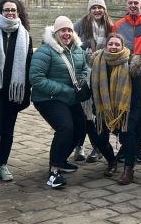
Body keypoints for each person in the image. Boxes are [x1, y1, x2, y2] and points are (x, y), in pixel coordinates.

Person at [30, 16, 101, 189]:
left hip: (69, 97)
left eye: (69, 30)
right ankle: (54, 172)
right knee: (65, 128)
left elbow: (84, 68)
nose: (66, 33)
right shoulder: (45, 51)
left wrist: (82, 81)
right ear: (55, 33)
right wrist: (64, 90)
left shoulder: (77, 50)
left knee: (80, 128)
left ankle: (61, 160)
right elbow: (36, 78)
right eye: (63, 30)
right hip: (48, 98)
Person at [0, 0, 33, 184]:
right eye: (7, 10)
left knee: (8, 130)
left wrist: (26, 92)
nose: (10, 13)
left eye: (13, 10)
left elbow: (28, 64)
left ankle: (3, 164)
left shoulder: (25, 35)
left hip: (14, 91)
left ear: (18, 12)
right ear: (0, 12)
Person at [91, 33, 141, 184]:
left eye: (117, 45)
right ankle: (111, 161)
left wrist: (127, 113)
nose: (113, 47)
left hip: (127, 107)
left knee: (127, 135)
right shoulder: (98, 61)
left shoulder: (132, 62)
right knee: (99, 138)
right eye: (111, 44)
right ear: (106, 46)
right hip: (104, 108)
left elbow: (137, 92)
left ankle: (129, 169)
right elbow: (93, 88)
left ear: (123, 46)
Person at [73, 0, 114, 162]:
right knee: (82, 112)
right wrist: (85, 50)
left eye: (100, 7)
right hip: (83, 73)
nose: (97, 10)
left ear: (104, 9)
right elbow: (72, 45)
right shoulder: (80, 25)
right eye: (94, 7)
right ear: (89, 10)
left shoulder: (111, 26)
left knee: (98, 113)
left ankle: (97, 147)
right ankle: (79, 146)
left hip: (102, 74)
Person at [114, 0, 141, 163]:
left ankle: (138, 146)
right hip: (123, 77)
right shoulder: (118, 26)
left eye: (136, 3)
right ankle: (125, 145)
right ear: (126, 5)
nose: (133, 6)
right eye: (130, 3)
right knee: (124, 111)